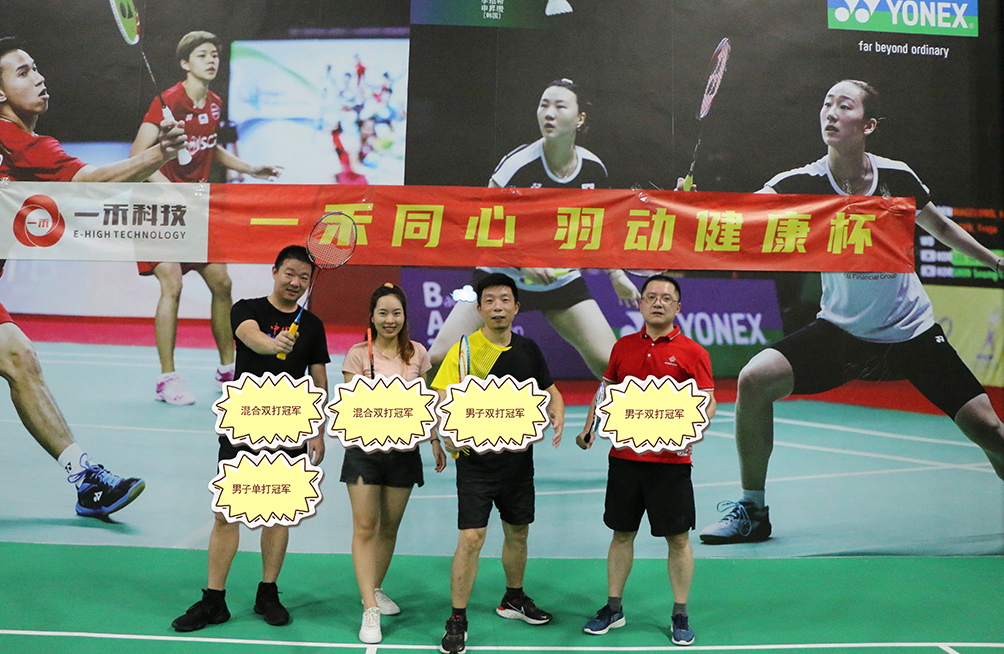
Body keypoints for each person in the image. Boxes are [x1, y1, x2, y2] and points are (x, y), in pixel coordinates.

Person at [696, 79, 1004, 544]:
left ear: (869, 124)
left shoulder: (897, 177)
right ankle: (752, 511)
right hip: (841, 334)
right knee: (754, 380)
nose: (831, 113)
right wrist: (686, 207)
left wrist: (995, 262)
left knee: (990, 430)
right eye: (827, 104)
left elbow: (941, 228)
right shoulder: (801, 184)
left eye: (845, 105)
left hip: (911, 332)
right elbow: (737, 215)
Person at [0, 37, 186, 517]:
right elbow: (90, 184)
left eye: (36, 67)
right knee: (20, 358)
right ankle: (88, 482)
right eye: (23, 72)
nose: (39, 77)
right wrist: (159, 155)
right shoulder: (30, 146)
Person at [428, 79, 639, 380]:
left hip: (560, 281)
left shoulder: (594, 169)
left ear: (580, 119)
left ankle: (616, 413)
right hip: (501, 278)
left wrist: (616, 275)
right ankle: (422, 411)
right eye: (544, 105)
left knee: (612, 364)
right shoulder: (516, 166)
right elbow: (483, 225)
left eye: (560, 106)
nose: (549, 113)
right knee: (438, 358)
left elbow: (599, 230)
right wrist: (523, 261)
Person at [171, 245, 329, 632]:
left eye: (303, 277)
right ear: (274, 271)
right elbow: (250, 338)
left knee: (278, 513)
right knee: (226, 513)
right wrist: (274, 345)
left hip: (291, 425)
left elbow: (319, 380)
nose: (295, 282)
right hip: (245, 424)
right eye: (289, 273)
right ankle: (214, 600)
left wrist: (318, 431)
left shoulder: (312, 326)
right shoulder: (247, 309)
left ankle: (268, 593)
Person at [129, 31, 282, 407]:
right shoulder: (167, 101)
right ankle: (167, 379)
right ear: (185, 63)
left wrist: (250, 168)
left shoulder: (214, 103)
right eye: (202, 55)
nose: (211, 60)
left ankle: (228, 370)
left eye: (214, 54)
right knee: (173, 283)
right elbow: (137, 155)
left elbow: (209, 147)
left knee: (222, 283)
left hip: (193, 209)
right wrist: (167, 189)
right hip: (158, 208)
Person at [430, 272, 565, 654]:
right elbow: (442, 399)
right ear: (479, 308)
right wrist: (446, 432)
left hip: (518, 463)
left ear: (517, 307)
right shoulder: (465, 350)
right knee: (471, 538)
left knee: (518, 532)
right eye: (489, 301)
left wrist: (556, 411)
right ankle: (457, 618)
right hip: (476, 464)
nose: (498, 307)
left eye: (505, 300)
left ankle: (513, 598)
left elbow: (550, 390)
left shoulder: (528, 349)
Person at [576, 274, 714, 647]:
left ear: (677, 307)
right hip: (625, 459)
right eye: (650, 296)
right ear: (640, 304)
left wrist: (693, 430)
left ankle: (680, 613)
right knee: (621, 533)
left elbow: (707, 401)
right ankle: (613, 608)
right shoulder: (622, 348)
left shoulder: (693, 352)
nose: (657, 302)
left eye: (666, 298)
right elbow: (606, 392)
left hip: (671, 463)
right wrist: (589, 429)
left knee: (678, 539)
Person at [340, 283, 447, 644]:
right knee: (365, 526)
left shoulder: (417, 353)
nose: (390, 319)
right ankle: (370, 608)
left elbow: (426, 402)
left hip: (404, 452)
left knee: (389, 528)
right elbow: (350, 407)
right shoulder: (358, 356)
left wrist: (434, 439)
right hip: (364, 452)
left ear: (404, 317)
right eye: (383, 313)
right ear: (371, 317)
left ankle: (374, 588)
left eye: (396, 313)